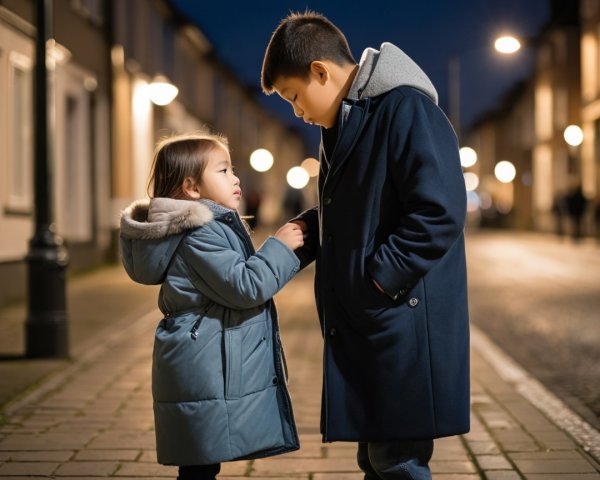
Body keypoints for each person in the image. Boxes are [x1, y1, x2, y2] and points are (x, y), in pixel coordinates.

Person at [261, 12, 470, 480]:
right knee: (376, 458)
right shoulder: (347, 122)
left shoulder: (404, 109)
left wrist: (379, 277)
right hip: (376, 324)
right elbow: (366, 207)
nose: (296, 111)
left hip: (403, 322)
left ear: (321, 71)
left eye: (294, 96)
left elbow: (439, 212)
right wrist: (311, 231)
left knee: (396, 461)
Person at [119, 133, 303, 480]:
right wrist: (279, 247)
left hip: (202, 358)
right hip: (204, 362)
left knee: (200, 463)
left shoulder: (209, 226)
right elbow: (245, 286)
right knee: (198, 466)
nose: (235, 178)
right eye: (223, 170)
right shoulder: (199, 233)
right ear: (191, 187)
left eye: (232, 169)